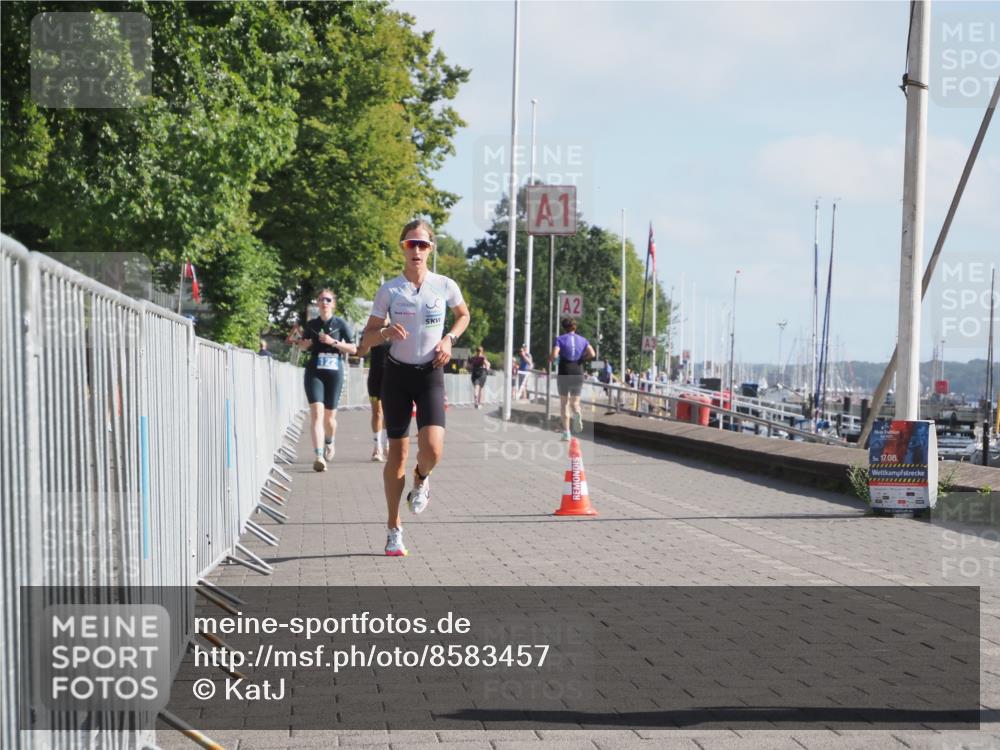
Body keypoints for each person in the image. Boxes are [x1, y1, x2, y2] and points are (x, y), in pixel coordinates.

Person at [360, 220, 470, 557]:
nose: (417, 251)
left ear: (431, 248)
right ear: (402, 248)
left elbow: (463, 315)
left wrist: (449, 339)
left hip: (430, 375)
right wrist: (385, 333)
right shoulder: (390, 291)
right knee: (398, 454)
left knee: (433, 449)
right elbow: (366, 341)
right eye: (411, 244)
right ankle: (394, 529)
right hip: (396, 376)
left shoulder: (445, 285)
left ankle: (421, 479)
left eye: (422, 245)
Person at [296, 289, 357, 472]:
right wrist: (304, 346)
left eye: (328, 299)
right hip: (315, 370)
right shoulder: (311, 324)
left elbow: (354, 349)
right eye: (321, 299)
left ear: (333, 304)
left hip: (334, 370)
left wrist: (333, 342)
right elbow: (302, 345)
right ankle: (319, 455)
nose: (324, 302)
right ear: (317, 303)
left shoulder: (341, 324)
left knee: (330, 419)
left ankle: (330, 441)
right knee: (316, 413)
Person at [550, 317, 595, 441]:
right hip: (577, 371)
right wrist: (582, 359)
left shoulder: (560, 339)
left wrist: (551, 359)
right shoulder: (583, 340)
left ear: (563, 328)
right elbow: (592, 354)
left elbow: (554, 355)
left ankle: (567, 433)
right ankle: (577, 413)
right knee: (575, 402)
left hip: (564, 371)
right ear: (575, 327)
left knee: (564, 403)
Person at [356, 332, 389, 462]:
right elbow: (360, 352)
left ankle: (386, 444)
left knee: (389, 413)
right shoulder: (372, 329)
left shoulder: (397, 325)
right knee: (377, 412)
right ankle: (377, 448)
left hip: (392, 377)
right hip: (375, 377)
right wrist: (367, 341)